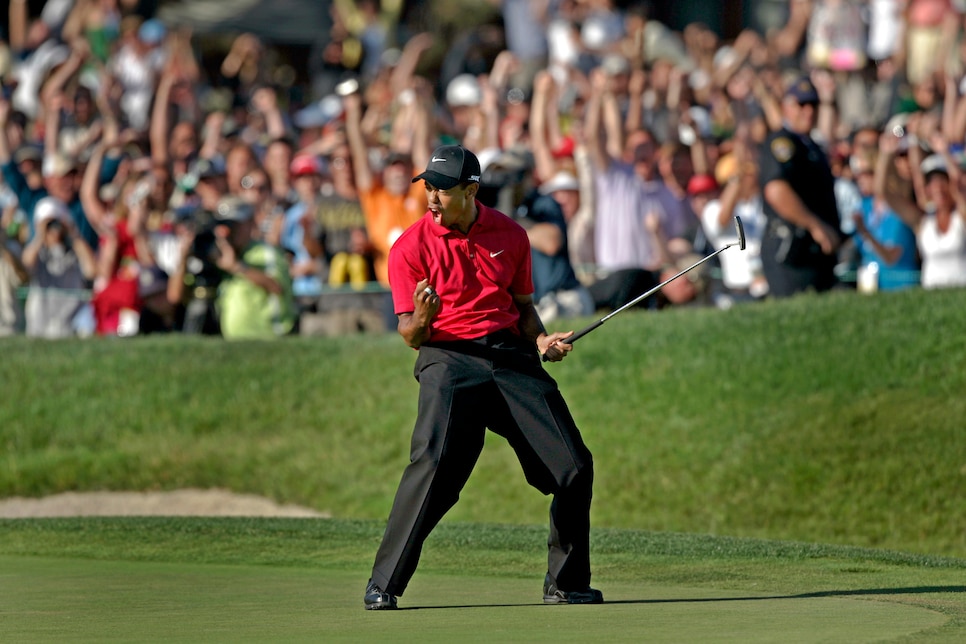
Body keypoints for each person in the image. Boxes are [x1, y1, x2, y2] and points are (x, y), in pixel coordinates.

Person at [365, 145, 601, 610]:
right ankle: (384, 583)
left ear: (470, 191)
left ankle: (566, 581)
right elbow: (410, 335)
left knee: (574, 466)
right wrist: (424, 318)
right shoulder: (408, 248)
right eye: (428, 187)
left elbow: (523, 308)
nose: (431, 197)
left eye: (442, 189)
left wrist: (540, 341)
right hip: (448, 357)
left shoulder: (511, 235)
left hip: (510, 356)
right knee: (434, 467)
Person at [759, 76, 842, 297]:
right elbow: (776, 190)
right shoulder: (782, 142)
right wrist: (816, 226)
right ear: (786, 106)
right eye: (801, 104)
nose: (808, 111)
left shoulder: (810, 144)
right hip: (793, 250)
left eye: (813, 105)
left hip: (814, 251)